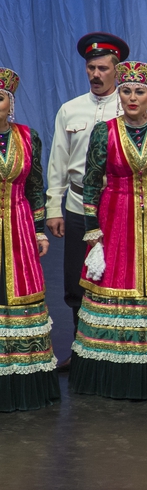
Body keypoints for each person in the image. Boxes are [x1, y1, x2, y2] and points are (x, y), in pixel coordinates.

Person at [69, 60, 147, 399]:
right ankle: (111, 372)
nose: (132, 97)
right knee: (115, 285)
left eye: (139, 91)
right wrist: (92, 230)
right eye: (126, 90)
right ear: (119, 94)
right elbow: (91, 183)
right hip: (116, 218)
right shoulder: (104, 131)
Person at [47, 32, 129, 359]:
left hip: (116, 203)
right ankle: (82, 351)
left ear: (117, 70)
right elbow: (57, 163)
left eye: (103, 68)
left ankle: (116, 350)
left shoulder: (129, 108)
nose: (96, 74)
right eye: (91, 68)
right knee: (77, 278)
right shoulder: (70, 110)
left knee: (116, 275)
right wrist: (54, 207)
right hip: (78, 204)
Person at [0, 68, 58, 412]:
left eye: (0, 97)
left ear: (11, 103)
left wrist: (38, 229)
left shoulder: (27, 137)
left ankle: (24, 382)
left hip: (18, 225)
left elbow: (36, 186)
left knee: (20, 294)